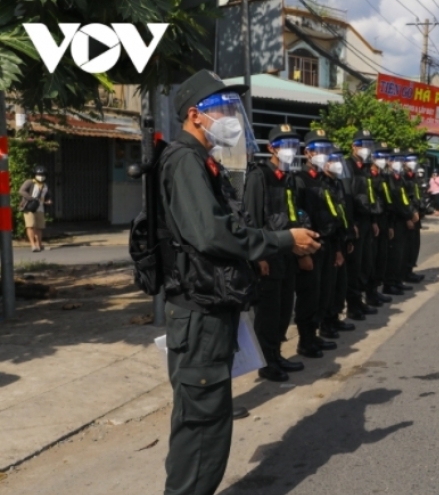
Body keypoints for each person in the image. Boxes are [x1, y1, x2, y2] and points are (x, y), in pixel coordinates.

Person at [158, 69, 320, 495]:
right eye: (223, 109)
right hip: (199, 315)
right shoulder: (184, 160)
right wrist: (284, 240)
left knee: (206, 423)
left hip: (209, 311)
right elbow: (212, 234)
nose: (233, 117)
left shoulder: (201, 162)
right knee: (201, 428)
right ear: (195, 115)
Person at [243, 124, 307, 382]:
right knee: (267, 315)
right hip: (269, 255)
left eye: (294, 145)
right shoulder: (260, 176)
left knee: (283, 310)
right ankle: (267, 363)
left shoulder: (289, 177)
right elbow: (252, 219)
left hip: (287, 252)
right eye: (284, 145)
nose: (290, 150)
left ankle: (277, 355)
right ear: (271, 148)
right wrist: (259, 257)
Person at [293, 130, 346, 356]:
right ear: (307, 153)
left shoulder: (324, 181)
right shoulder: (299, 180)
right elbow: (297, 216)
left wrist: (338, 247)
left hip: (327, 243)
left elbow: (333, 213)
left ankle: (315, 334)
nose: (324, 154)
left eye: (326, 150)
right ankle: (305, 340)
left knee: (324, 292)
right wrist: (303, 254)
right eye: (319, 150)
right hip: (310, 246)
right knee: (309, 295)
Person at [345, 130, 381, 318]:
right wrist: (351, 224)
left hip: (367, 220)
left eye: (368, 145)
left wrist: (374, 220)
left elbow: (370, 195)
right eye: (362, 144)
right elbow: (348, 198)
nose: (366, 149)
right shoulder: (347, 165)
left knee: (366, 262)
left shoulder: (366, 167)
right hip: (356, 222)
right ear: (353, 146)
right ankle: (353, 305)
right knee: (355, 265)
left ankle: (360, 300)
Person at [324, 148, 357, 335]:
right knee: (327, 287)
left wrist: (348, 235)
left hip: (340, 239)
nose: (337, 163)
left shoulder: (337, 184)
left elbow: (343, 212)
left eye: (338, 159)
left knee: (339, 284)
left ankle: (335, 317)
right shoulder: (321, 183)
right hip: (328, 242)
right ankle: (325, 324)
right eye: (332, 159)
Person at [383, 150, 417, 295]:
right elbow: (394, 202)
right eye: (394, 159)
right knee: (394, 253)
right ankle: (389, 283)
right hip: (395, 220)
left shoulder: (399, 178)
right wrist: (406, 217)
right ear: (389, 161)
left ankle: (397, 281)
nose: (398, 162)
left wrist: (410, 213)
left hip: (403, 218)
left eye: (399, 159)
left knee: (401, 253)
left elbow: (404, 198)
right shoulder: (388, 177)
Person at [366, 146, 394, 306]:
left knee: (382, 257)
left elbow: (387, 200)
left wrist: (389, 224)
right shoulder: (369, 176)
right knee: (373, 258)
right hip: (374, 221)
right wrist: (374, 221)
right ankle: (370, 293)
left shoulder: (384, 176)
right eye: (380, 156)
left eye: (385, 156)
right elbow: (371, 201)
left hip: (384, 219)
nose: (384, 159)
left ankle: (375, 290)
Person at [402, 150, 425, 283]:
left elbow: (417, 194)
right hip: (410, 215)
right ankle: (404, 273)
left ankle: (410, 270)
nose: (413, 162)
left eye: (414, 159)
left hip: (417, 214)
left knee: (414, 245)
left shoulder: (413, 176)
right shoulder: (403, 176)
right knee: (407, 246)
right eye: (410, 159)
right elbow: (404, 198)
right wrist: (410, 213)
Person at [19, 166, 52, 252]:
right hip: (29, 207)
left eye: (43, 174)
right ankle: (33, 245)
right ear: (35, 174)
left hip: (40, 208)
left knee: (39, 227)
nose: (41, 176)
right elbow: (21, 191)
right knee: (30, 226)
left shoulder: (45, 185)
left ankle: (39, 245)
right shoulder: (30, 182)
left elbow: (47, 196)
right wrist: (31, 198)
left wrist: (48, 201)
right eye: (39, 174)